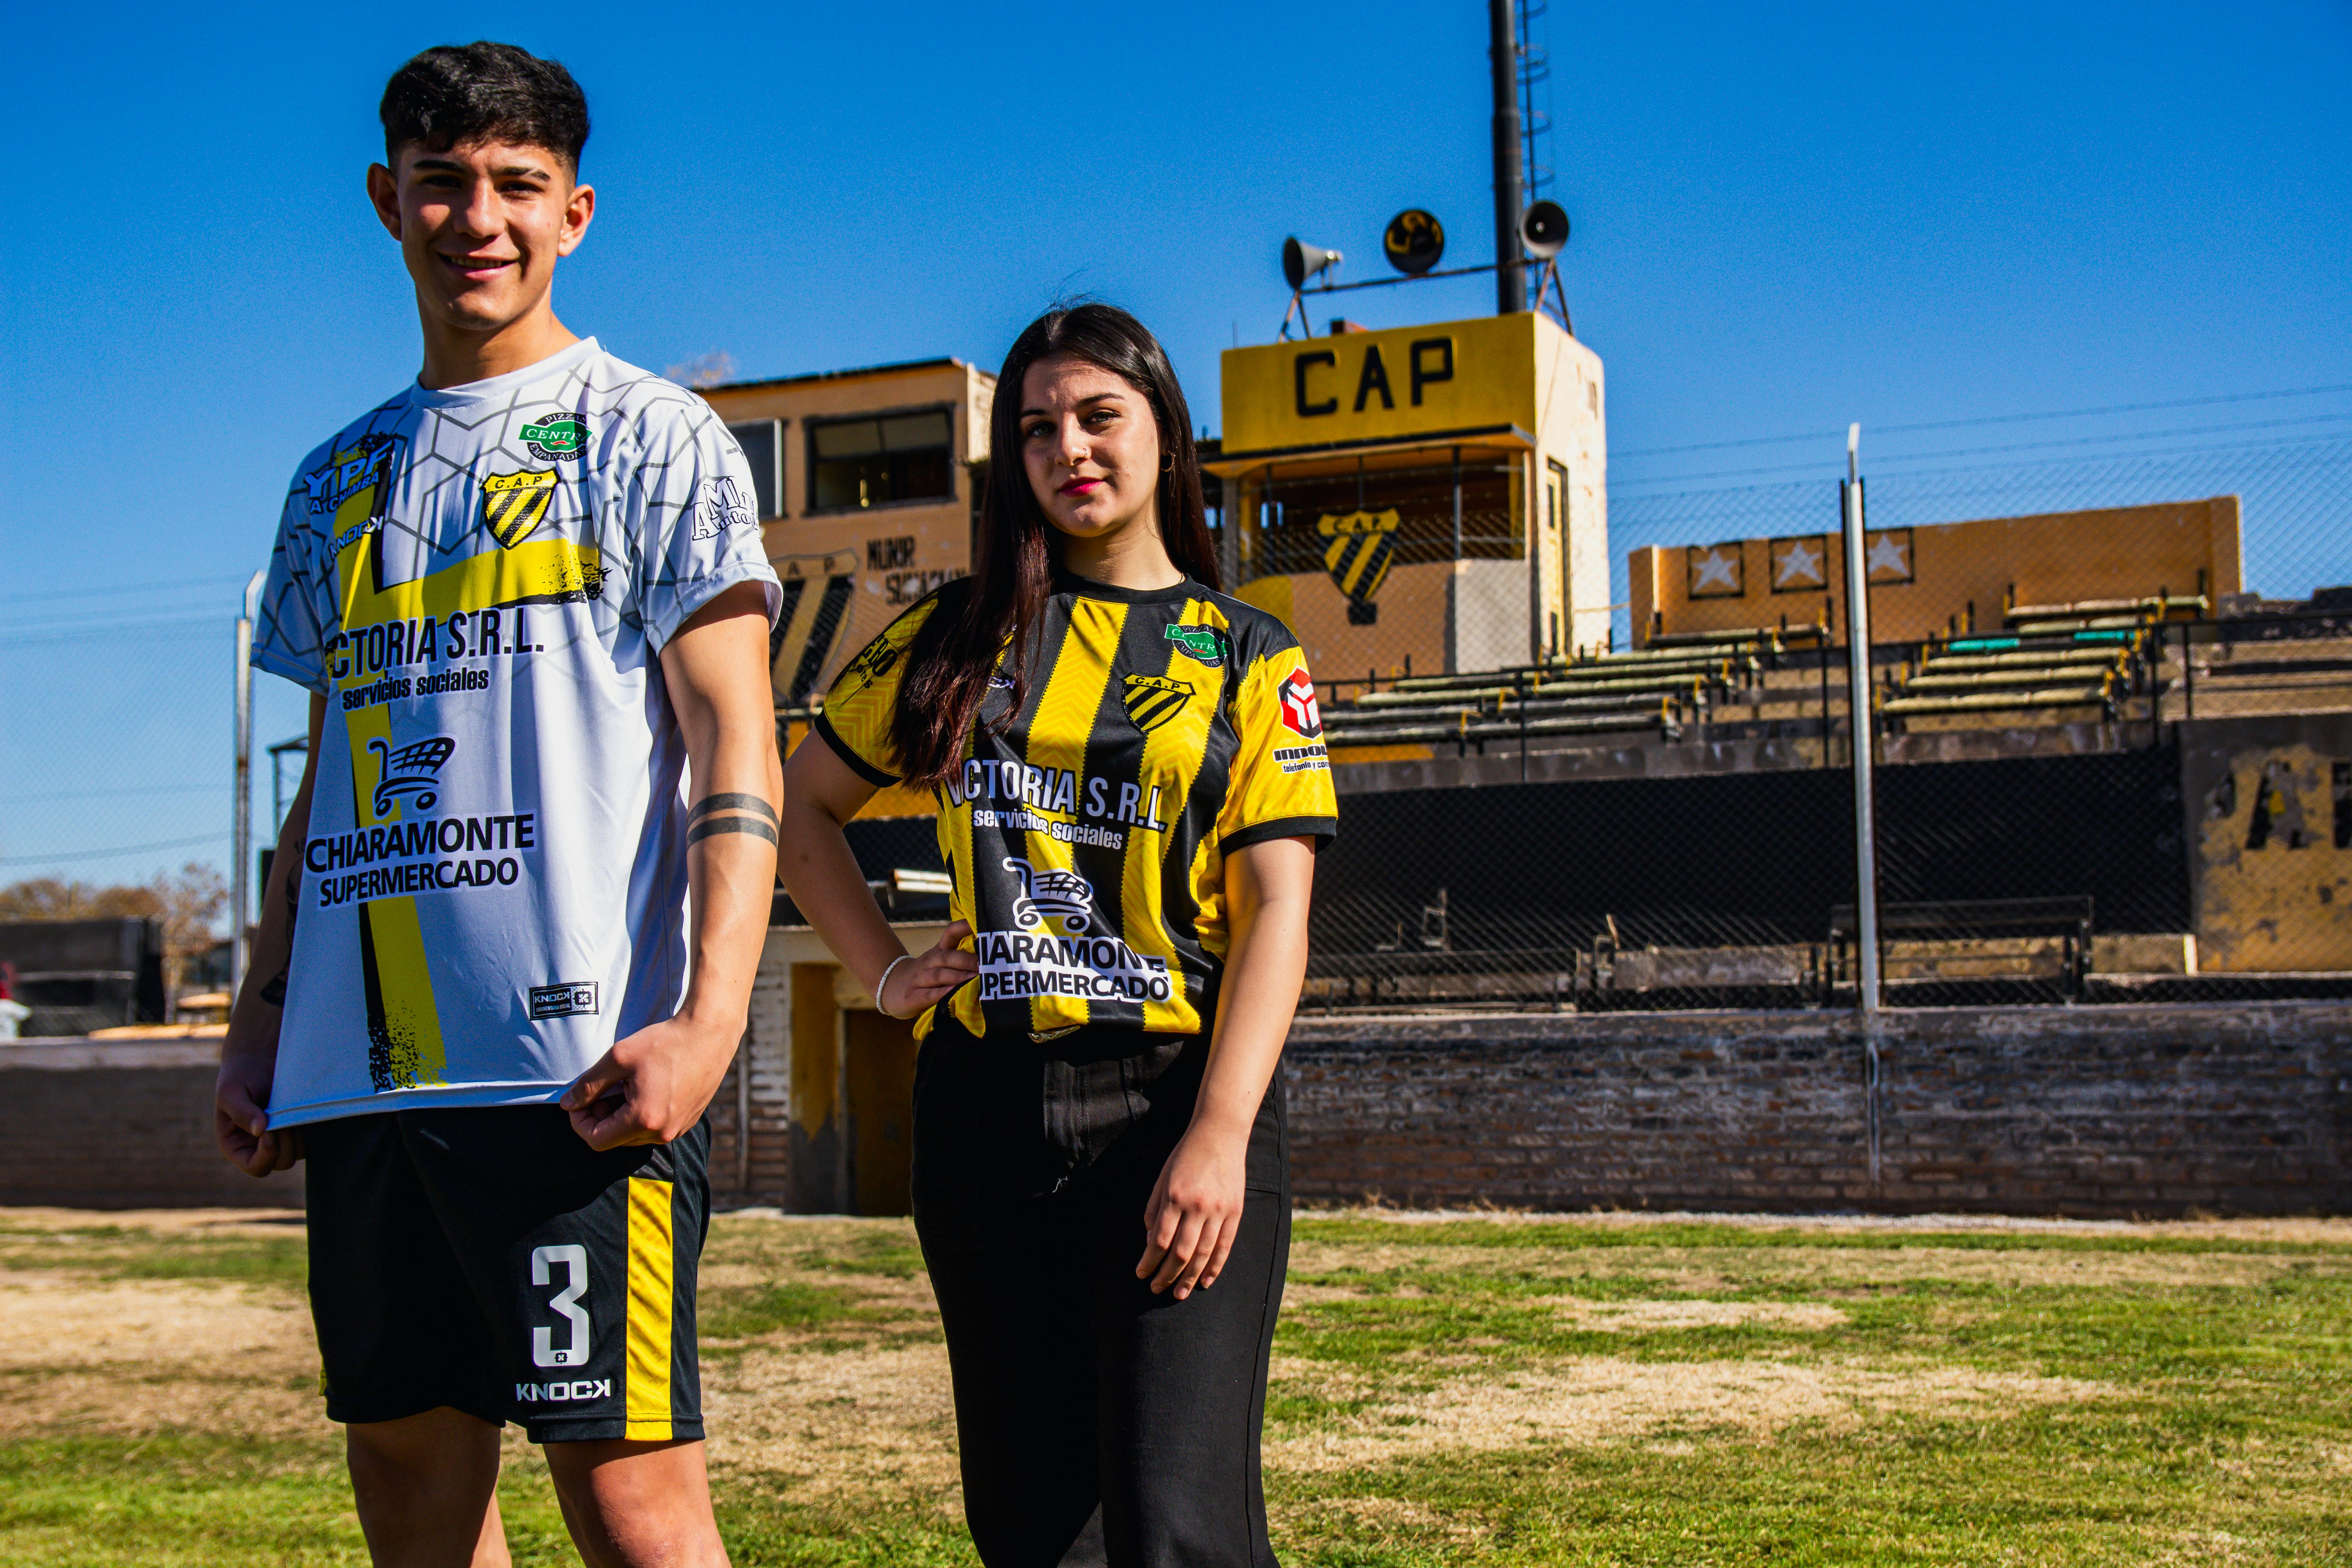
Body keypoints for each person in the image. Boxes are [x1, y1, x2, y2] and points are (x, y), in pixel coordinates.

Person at [214, 42, 779, 1568]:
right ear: (387, 199)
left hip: (582, 1073)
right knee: (410, 1499)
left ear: (576, 211)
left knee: (632, 1503)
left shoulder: (652, 433)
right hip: (368, 1079)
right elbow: (328, 776)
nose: (480, 216)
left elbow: (737, 738)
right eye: (446, 181)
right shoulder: (335, 481)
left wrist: (711, 1022)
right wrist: (264, 1009)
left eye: (518, 185)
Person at [778, 303, 1337, 1567]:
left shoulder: (1251, 655)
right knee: (1037, 1535)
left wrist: (1219, 1134)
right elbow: (802, 807)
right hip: (982, 1117)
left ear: (1164, 435)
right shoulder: (956, 638)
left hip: (1167, 1109)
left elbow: (1277, 916)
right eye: (1038, 430)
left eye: (1100, 417)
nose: (1070, 450)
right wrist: (883, 975)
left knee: (1177, 1529)